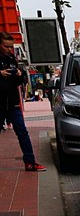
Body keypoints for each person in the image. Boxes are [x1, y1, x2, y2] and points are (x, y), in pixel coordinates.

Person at [0, 32, 46, 171]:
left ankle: (30, 162)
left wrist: (20, 75)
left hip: (13, 103)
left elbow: (18, 81)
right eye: (6, 46)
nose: (9, 49)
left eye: (11, 46)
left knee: (22, 132)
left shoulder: (12, 59)